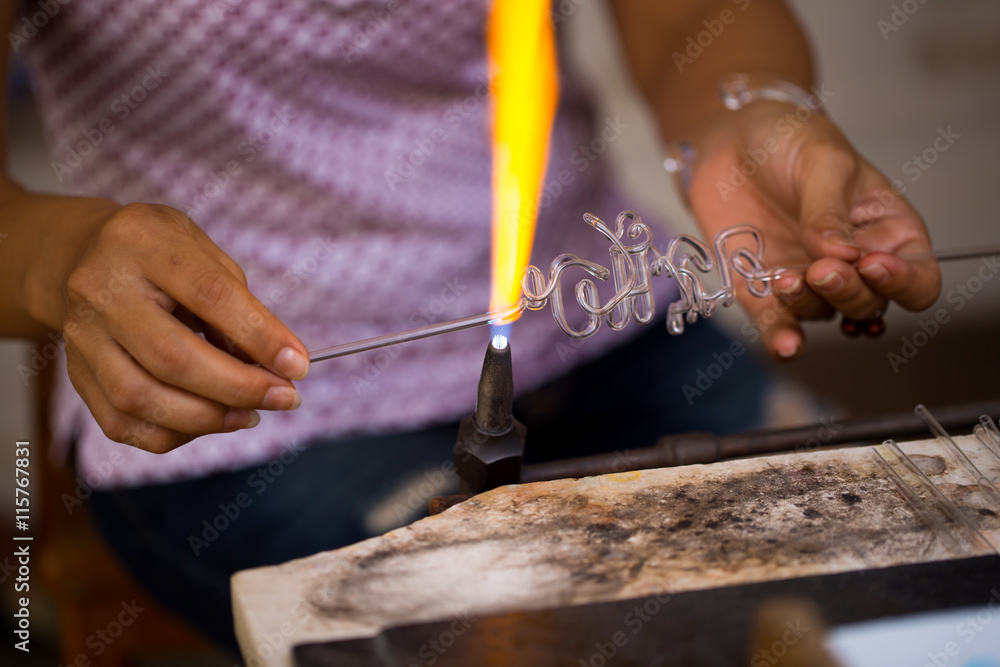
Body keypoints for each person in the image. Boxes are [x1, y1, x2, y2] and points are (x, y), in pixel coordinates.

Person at [0, 0, 940, 655]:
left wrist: (753, 108)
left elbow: (694, 17)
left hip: (607, 336)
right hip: (262, 420)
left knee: (896, 573)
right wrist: (61, 254)